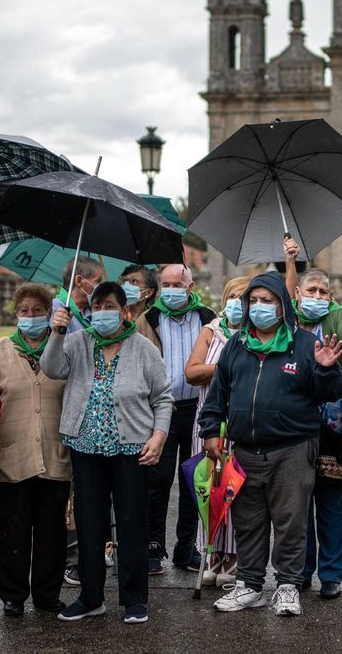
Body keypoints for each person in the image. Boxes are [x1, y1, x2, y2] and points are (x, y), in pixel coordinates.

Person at [200, 271, 342, 618]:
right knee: (247, 522)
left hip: (293, 449)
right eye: (253, 300)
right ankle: (250, 586)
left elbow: (332, 392)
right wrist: (210, 430)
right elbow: (219, 392)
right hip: (245, 450)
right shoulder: (237, 344)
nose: (259, 307)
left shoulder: (306, 344)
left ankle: (288, 586)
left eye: (268, 301)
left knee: (290, 521)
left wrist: (326, 369)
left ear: (283, 306)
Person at [41, 280, 171, 625]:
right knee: (89, 524)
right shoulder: (78, 342)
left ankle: (134, 600)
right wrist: (56, 333)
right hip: (86, 447)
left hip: (131, 449)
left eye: (110, 306)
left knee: (131, 524)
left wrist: (158, 437)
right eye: (97, 306)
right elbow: (52, 369)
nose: (102, 313)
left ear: (124, 311)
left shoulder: (143, 347)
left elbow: (163, 398)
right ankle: (90, 597)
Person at [283, 245, 342, 601]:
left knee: (335, 504)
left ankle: (332, 574)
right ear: (298, 294)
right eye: (311, 291)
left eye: (324, 292)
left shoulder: (340, 322)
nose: (318, 297)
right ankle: (301, 571)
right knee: (296, 504)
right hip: (293, 427)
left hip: (337, 429)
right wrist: (290, 261)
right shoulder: (286, 320)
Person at [0, 283, 72, 617]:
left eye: (38, 311)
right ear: (16, 314)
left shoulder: (64, 349)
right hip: (13, 455)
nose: (31, 317)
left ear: (50, 313)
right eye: (24, 311)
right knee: (13, 529)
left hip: (55, 452)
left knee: (52, 530)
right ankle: (13, 594)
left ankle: (47, 593)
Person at [135, 263, 213, 575]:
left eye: (177, 284)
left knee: (194, 480)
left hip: (197, 409)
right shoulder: (148, 319)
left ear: (190, 287)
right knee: (158, 480)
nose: (171, 290)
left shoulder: (207, 318)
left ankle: (186, 548)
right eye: (165, 285)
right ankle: (153, 546)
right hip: (162, 411)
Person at [184, 276, 251, 586]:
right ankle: (211, 553)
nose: (238, 302)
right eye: (233, 296)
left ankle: (234, 558)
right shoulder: (212, 331)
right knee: (209, 488)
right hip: (209, 421)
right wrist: (225, 364)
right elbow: (193, 371)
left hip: (239, 424)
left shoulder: (255, 335)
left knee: (235, 490)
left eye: (244, 297)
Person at [52, 256, 104, 334]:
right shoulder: (56, 307)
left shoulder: (92, 309)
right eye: (98, 281)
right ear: (79, 281)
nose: (100, 286)